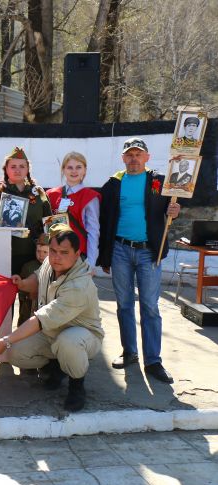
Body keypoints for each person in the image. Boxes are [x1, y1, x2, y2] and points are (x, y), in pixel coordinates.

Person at [0, 226, 104, 412]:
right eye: (53, 251)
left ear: (77, 254)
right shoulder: (51, 263)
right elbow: (38, 277)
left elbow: (42, 319)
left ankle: (77, 385)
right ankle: (57, 364)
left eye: (64, 253)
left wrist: (6, 340)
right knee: (16, 353)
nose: (56, 257)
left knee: (69, 341)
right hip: (53, 331)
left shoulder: (79, 285)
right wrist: (22, 284)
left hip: (83, 336)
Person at [98, 137, 180, 384]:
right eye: (129, 154)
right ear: (123, 158)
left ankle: (153, 360)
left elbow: (170, 211)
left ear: (147, 157)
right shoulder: (114, 184)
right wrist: (105, 255)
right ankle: (130, 352)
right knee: (123, 304)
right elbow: (105, 220)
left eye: (138, 154)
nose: (134, 158)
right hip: (121, 249)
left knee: (150, 306)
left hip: (149, 251)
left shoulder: (159, 182)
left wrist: (174, 213)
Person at [0, 146, 52, 275]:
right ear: (6, 169)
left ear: (28, 169)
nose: (17, 170)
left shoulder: (38, 192)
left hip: (34, 254)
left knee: (31, 292)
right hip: (5, 253)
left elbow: (49, 223)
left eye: (22, 166)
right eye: (13, 166)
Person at [46, 152, 101, 268]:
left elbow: (93, 231)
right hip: (55, 254)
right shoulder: (51, 194)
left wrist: (91, 263)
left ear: (85, 170)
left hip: (77, 255)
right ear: (63, 170)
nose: (74, 171)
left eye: (78, 167)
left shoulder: (90, 197)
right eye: (70, 167)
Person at [17, 235, 49, 326]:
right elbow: (21, 294)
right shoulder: (28, 267)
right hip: (29, 309)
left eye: (45, 252)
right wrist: (27, 295)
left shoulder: (56, 267)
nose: (41, 255)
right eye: (38, 251)